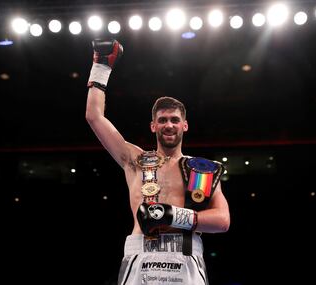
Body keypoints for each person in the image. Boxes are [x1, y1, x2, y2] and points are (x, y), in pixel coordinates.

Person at [85, 39, 230, 285]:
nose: (169, 125)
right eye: (162, 120)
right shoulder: (136, 160)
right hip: (141, 254)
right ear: (153, 126)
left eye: (174, 119)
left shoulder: (200, 171)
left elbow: (222, 221)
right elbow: (94, 116)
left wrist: (172, 215)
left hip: (186, 255)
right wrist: (101, 66)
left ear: (185, 125)